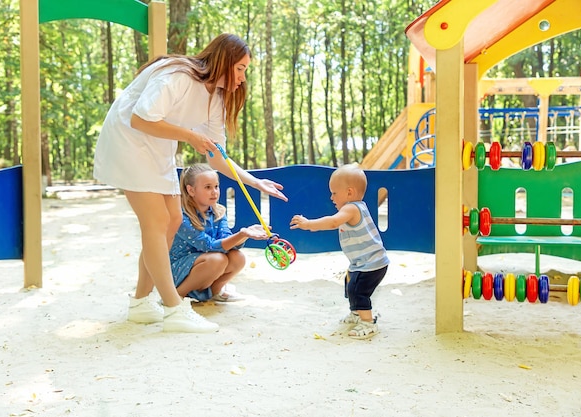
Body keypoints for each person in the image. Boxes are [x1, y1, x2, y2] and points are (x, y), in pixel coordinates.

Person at [93, 33, 287, 333]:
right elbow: (140, 120)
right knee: (156, 221)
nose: (242, 77)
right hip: (128, 141)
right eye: (240, 68)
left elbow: (217, 156)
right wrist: (191, 136)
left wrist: (255, 182)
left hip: (157, 148)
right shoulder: (179, 76)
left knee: (172, 220)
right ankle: (173, 309)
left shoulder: (216, 98)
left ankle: (141, 303)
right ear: (224, 61)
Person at [290, 164, 389, 339]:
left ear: (349, 193)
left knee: (358, 290)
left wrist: (308, 224)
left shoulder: (351, 208)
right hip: (362, 263)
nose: (331, 197)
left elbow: (333, 222)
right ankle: (357, 313)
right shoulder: (358, 206)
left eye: (334, 193)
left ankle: (368, 322)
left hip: (371, 264)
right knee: (350, 284)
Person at [170, 163, 268, 305]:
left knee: (237, 258)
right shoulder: (182, 216)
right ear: (191, 190)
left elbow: (225, 239)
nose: (214, 192)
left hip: (204, 265)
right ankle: (177, 296)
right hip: (178, 270)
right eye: (208, 187)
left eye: (216, 186)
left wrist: (245, 235)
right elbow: (207, 245)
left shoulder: (218, 211)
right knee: (217, 259)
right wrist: (241, 234)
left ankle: (214, 292)